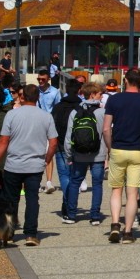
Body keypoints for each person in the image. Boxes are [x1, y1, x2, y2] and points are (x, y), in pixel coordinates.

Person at [0, 84, 58, 247]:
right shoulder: (46, 116)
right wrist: (47, 158)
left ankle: (10, 232)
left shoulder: (12, 115)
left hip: (14, 164)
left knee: (11, 200)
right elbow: (53, 142)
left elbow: (3, 141)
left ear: (22, 97)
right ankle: (30, 234)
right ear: (38, 98)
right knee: (32, 199)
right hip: (35, 165)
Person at [102, 68, 140, 244]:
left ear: (125, 80)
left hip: (118, 148)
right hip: (138, 150)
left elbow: (106, 128)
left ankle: (115, 224)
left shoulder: (114, 99)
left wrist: (110, 148)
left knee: (116, 190)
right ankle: (128, 232)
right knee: (132, 193)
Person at [64, 82, 107, 225]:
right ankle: (94, 216)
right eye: (100, 94)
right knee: (97, 184)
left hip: (79, 154)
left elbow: (69, 136)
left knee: (75, 182)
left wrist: (69, 155)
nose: (102, 96)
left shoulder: (75, 112)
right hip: (98, 154)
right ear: (92, 94)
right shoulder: (102, 112)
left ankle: (71, 215)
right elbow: (106, 133)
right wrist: (108, 152)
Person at [51, 78, 83, 220]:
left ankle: (67, 203)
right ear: (79, 90)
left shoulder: (58, 107)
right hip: (78, 146)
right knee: (74, 177)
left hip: (60, 145)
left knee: (64, 176)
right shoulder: (81, 106)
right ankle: (70, 204)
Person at [35, 70, 61, 193]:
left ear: (48, 79)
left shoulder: (55, 92)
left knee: (49, 153)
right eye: (38, 79)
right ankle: (37, 181)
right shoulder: (34, 91)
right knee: (36, 154)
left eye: (43, 79)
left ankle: (49, 181)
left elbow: (58, 109)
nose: (40, 81)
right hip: (36, 125)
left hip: (50, 125)